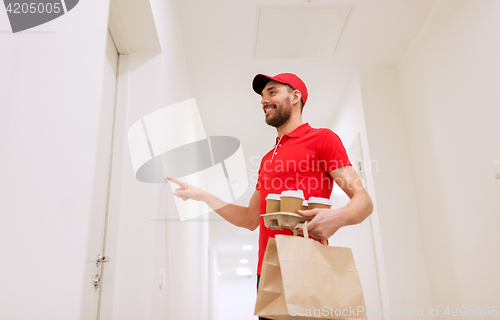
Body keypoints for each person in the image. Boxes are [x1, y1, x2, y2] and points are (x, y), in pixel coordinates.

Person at [167, 73, 373, 320]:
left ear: (295, 97)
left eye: (272, 92)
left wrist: (337, 217)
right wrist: (202, 195)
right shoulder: (268, 159)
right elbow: (249, 219)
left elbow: (364, 202)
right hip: (267, 272)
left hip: (306, 263)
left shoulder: (322, 138)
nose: (264, 100)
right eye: (262, 96)